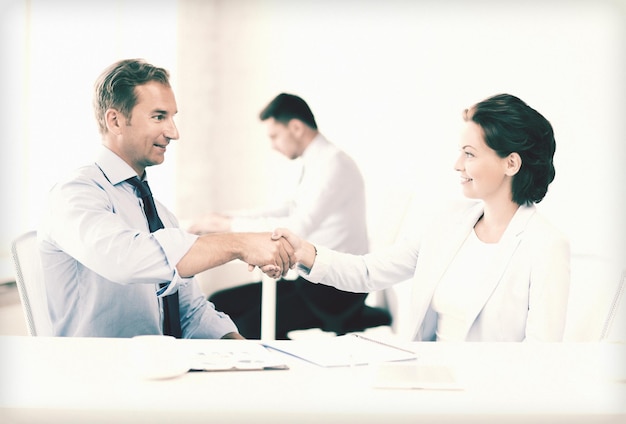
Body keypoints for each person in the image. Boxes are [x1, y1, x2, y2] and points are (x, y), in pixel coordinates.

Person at [273, 93, 570, 342]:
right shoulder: (447, 222)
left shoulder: (546, 245)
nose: (457, 165)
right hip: (430, 380)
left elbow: (540, 358)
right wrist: (304, 252)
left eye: (469, 154)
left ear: (511, 163)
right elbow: (368, 272)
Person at [38, 59, 294, 339]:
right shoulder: (74, 194)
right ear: (115, 121)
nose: (174, 132)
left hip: (158, 371)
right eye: (159, 117)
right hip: (98, 375)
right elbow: (127, 259)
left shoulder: (158, 214)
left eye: (172, 118)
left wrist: (249, 356)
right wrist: (238, 244)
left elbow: (190, 312)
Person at [188, 93, 390, 339]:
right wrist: (225, 218)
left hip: (336, 289)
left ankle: (282, 370)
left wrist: (229, 225)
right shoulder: (318, 161)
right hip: (311, 282)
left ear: (295, 127)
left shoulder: (334, 165)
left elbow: (297, 227)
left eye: (274, 136)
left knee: (249, 326)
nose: (272, 145)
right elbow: (288, 208)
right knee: (220, 304)